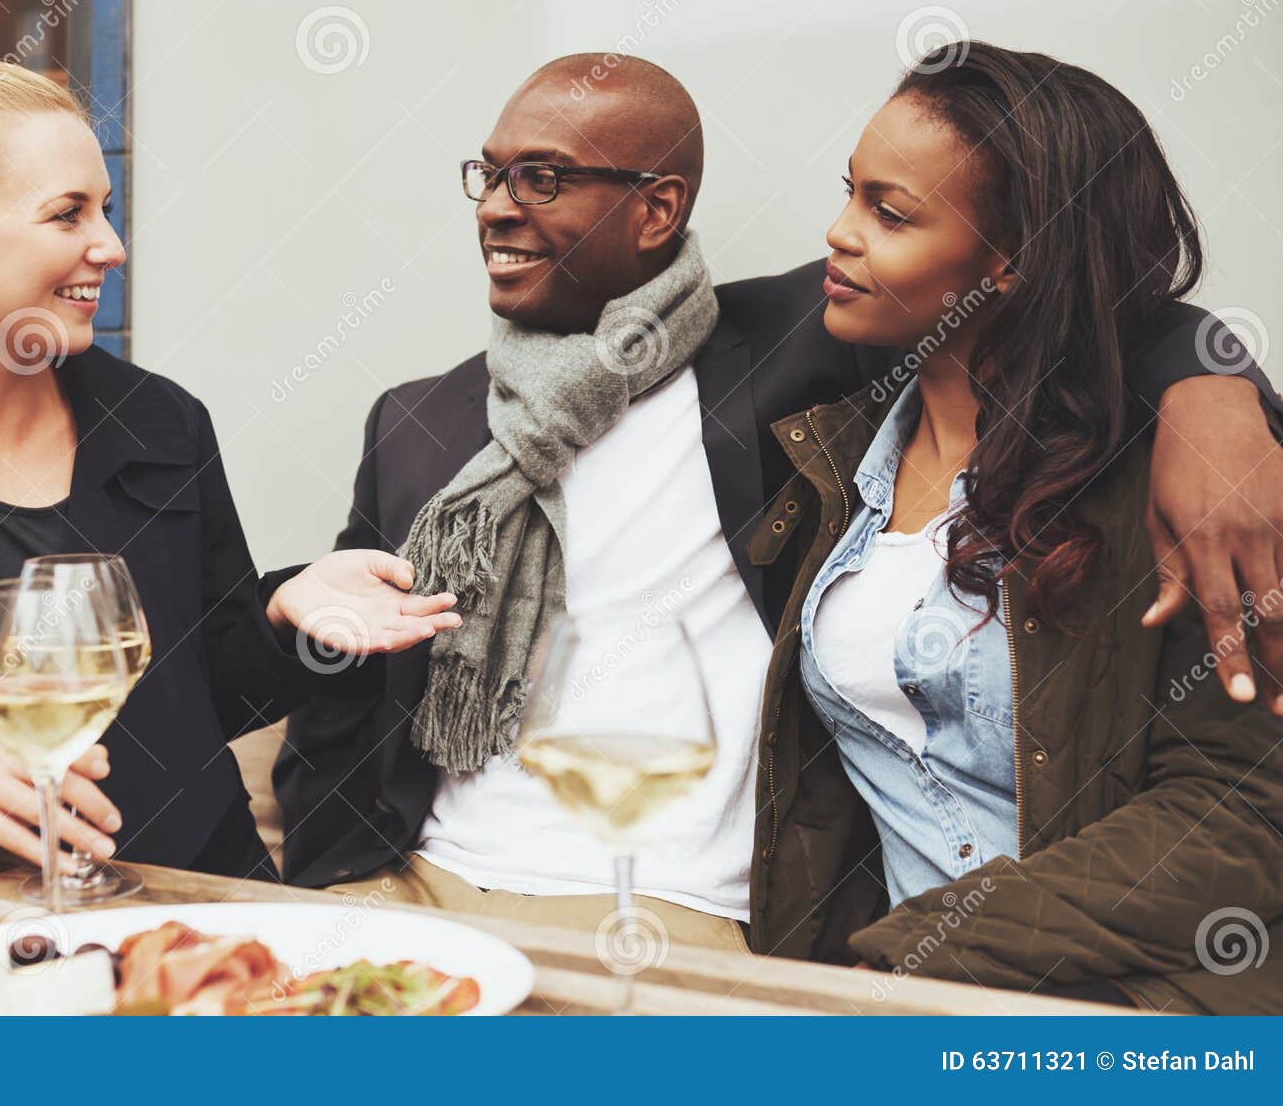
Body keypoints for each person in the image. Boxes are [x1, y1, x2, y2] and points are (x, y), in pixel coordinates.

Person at [277, 52, 1283, 961]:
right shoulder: (419, 421)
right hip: (415, 889)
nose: (495, 206)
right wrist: (317, 878)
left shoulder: (794, 359)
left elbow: (1099, 302)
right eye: (486, 175)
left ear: (657, 209)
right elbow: (342, 686)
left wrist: (1215, 383)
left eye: (540, 178)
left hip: (699, 914)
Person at [0, 19, 459, 878]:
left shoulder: (162, 421)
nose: (110, 246)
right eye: (69, 214)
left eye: (105, 209)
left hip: (193, 895)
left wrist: (288, 615)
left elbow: (203, 690)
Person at [755, 40, 1282, 1013]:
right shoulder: (830, 436)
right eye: (848, 192)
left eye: (888, 211)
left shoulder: (1171, 482)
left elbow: (1243, 813)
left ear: (1011, 259)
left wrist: (911, 959)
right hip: (892, 997)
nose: (836, 233)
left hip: (1144, 1005)